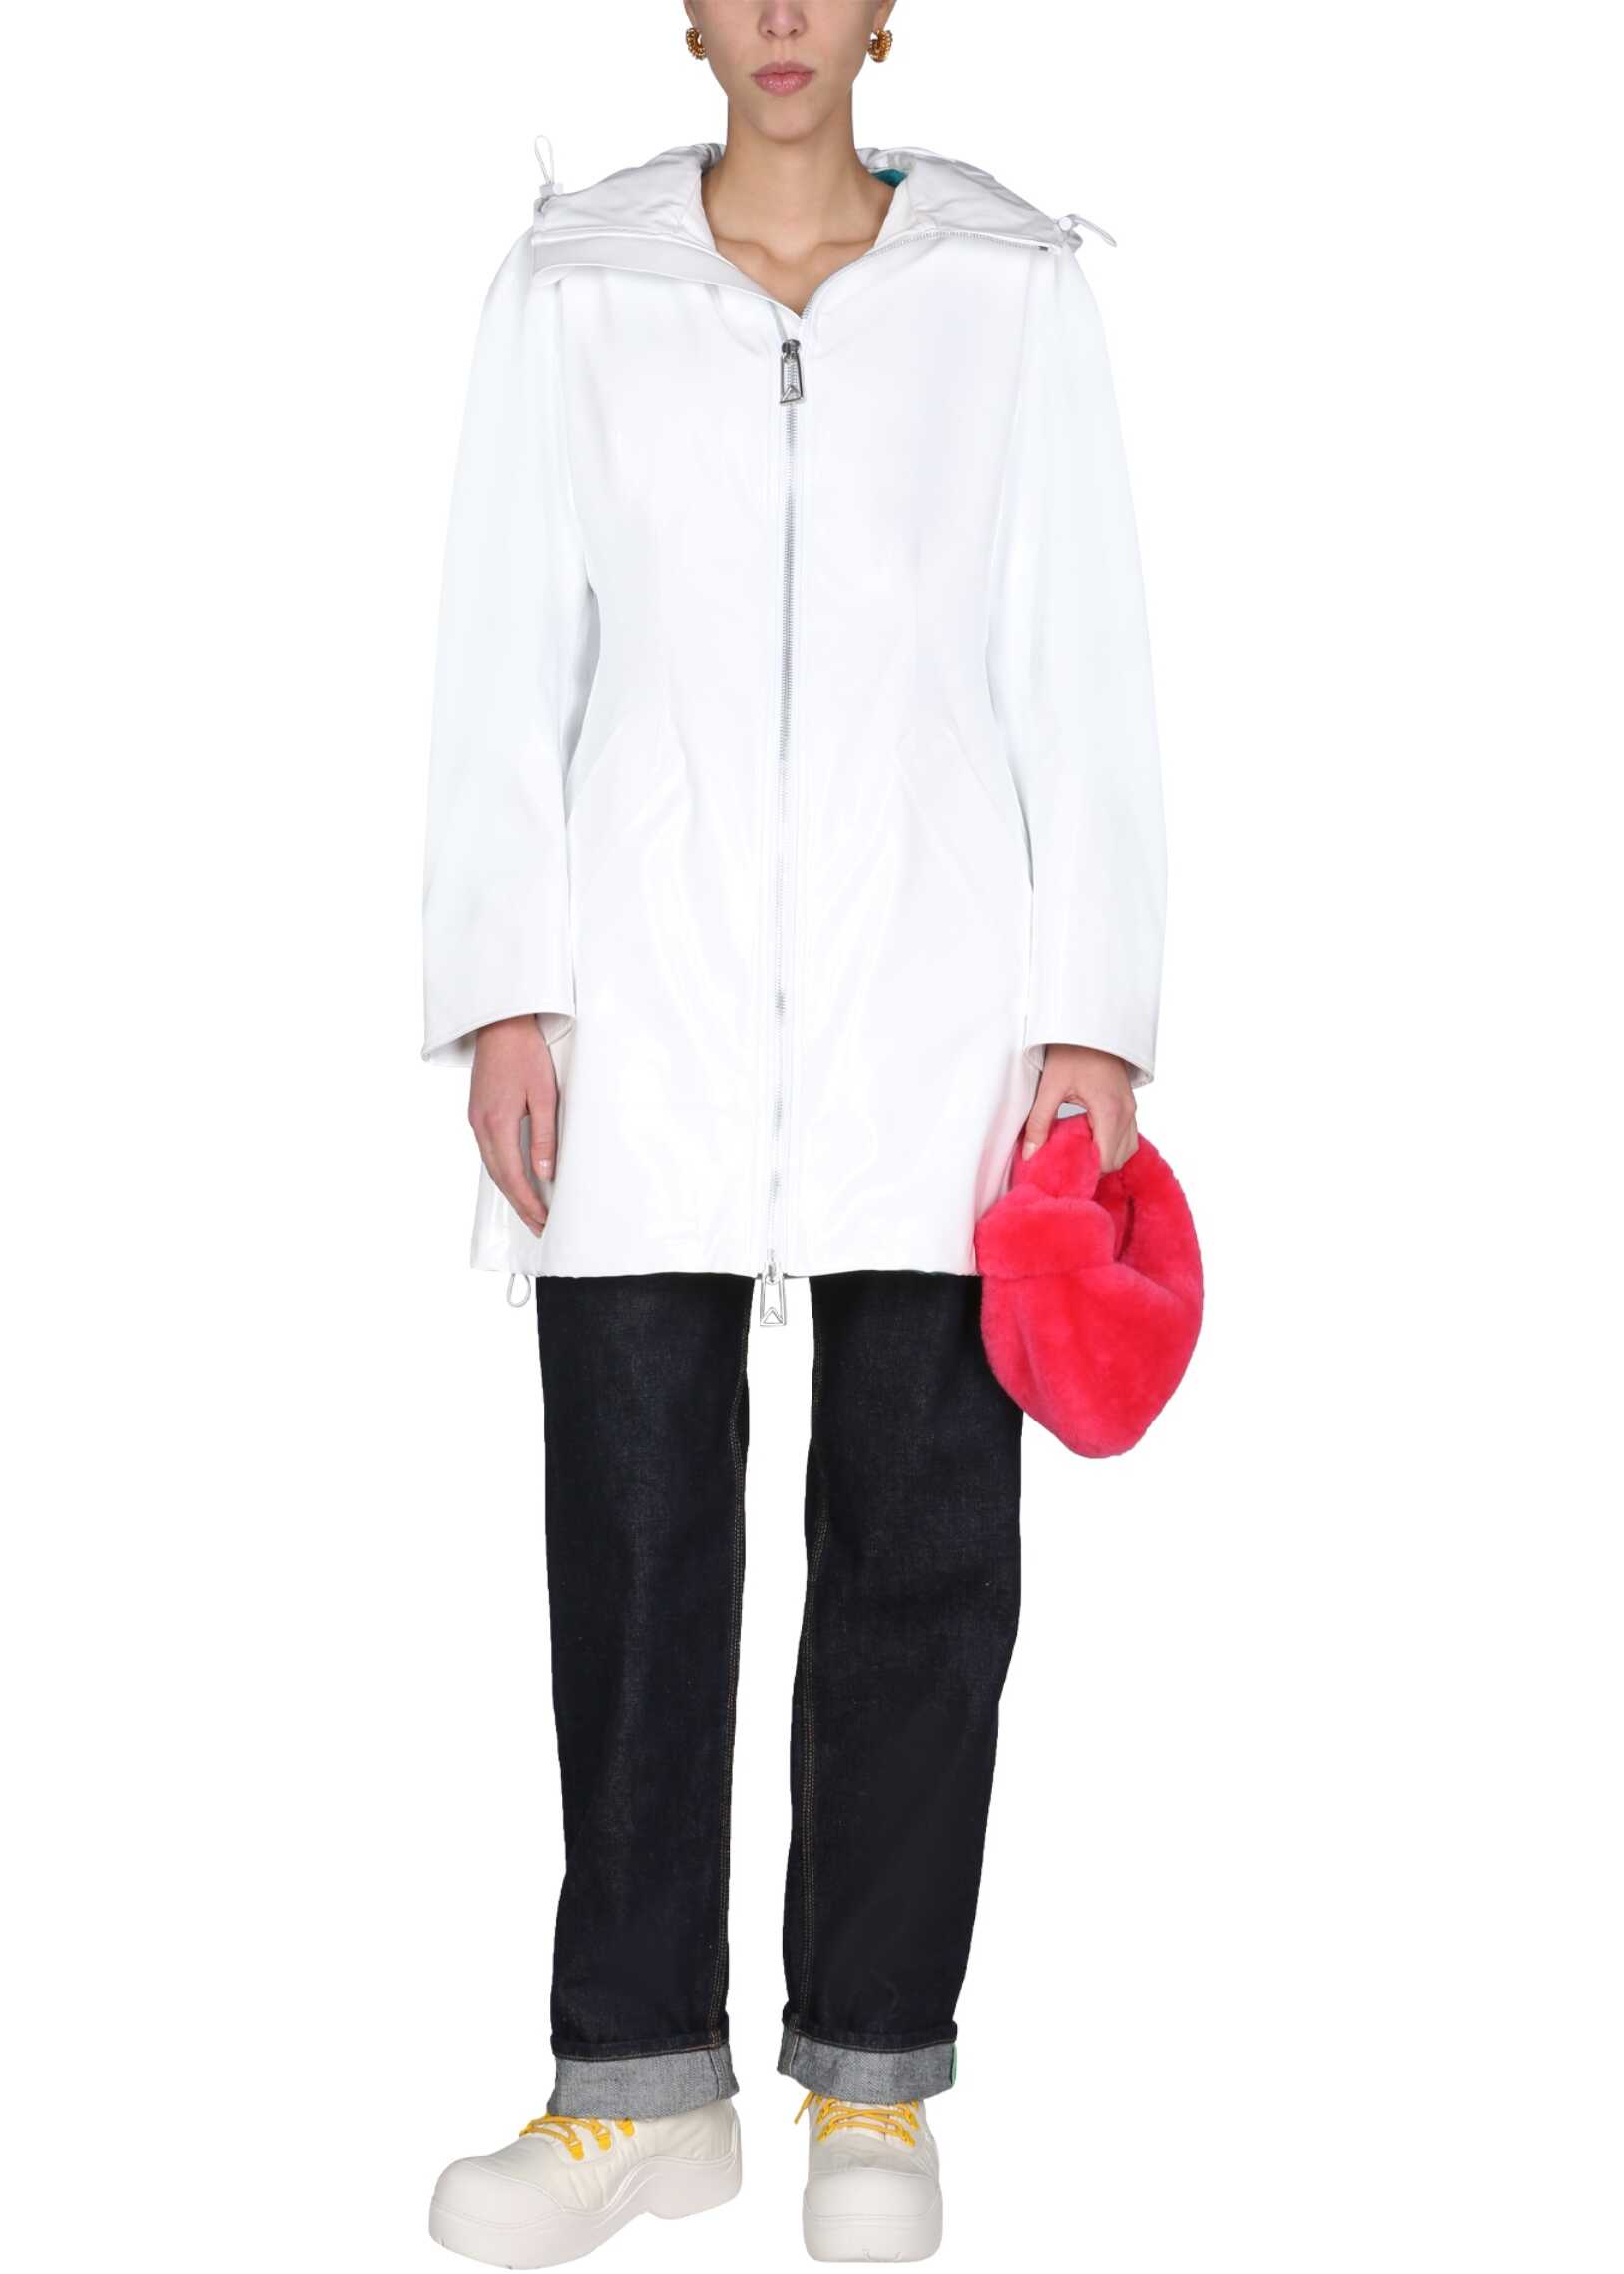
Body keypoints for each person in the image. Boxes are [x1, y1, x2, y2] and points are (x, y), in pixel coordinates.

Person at [421, 3, 1165, 2263]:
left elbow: (1079, 667)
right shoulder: (575, 285)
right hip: (635, 1018)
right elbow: (504, 659)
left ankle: (874, 2080)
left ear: (879, 14)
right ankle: (635, 2089)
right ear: (685, 10)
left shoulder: (1009, 289)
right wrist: (506, 984)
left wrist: (1090, 1019)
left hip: (939, 1014)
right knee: (633, 1543)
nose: (776, 21)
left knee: (922, 1559)